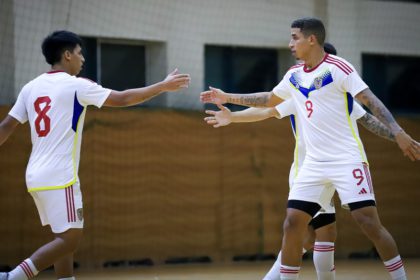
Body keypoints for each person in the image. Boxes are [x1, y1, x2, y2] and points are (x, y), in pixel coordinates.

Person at [200, 17, 419, 280]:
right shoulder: (294, 78)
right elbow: (269, 101)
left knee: (367, 222)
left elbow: (370, 104)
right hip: (311, 165)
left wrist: (398, 133)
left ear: (311, 39)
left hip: (346, 161)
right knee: (294, 224)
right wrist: (229, 99)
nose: (290, 43)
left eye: (295, 37)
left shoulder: (339, 69)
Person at [0, 30, 190, 280]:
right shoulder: (78, 85)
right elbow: (122, 99)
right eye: (79, 53)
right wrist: (162, 86)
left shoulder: (30, 87)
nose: (83, 59)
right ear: (67, 55)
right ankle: (13, 277)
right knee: (70, 239)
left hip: (34, 176)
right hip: (60, 176)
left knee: (62, 236)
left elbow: (6, 127)